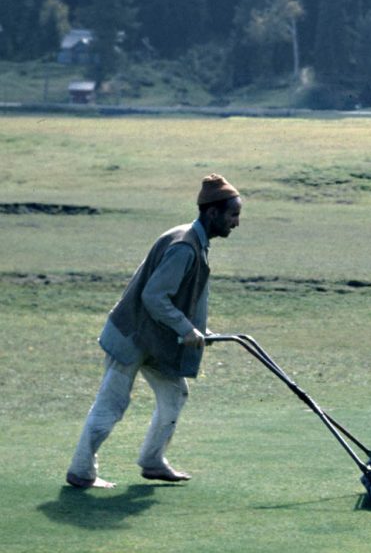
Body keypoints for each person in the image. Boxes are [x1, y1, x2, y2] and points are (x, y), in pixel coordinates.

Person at [66, 174, 242, 489]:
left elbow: (178, 298)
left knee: (175, 394)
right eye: (233, 215)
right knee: (112, 404)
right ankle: (81, 472)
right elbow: (154, 296)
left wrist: (196, 329)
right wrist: (186, 328)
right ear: (213, 213)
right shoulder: (184, 247)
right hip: (133, 337)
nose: (236, 223)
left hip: (156, 340)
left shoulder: (193, 241)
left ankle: (152, 461)